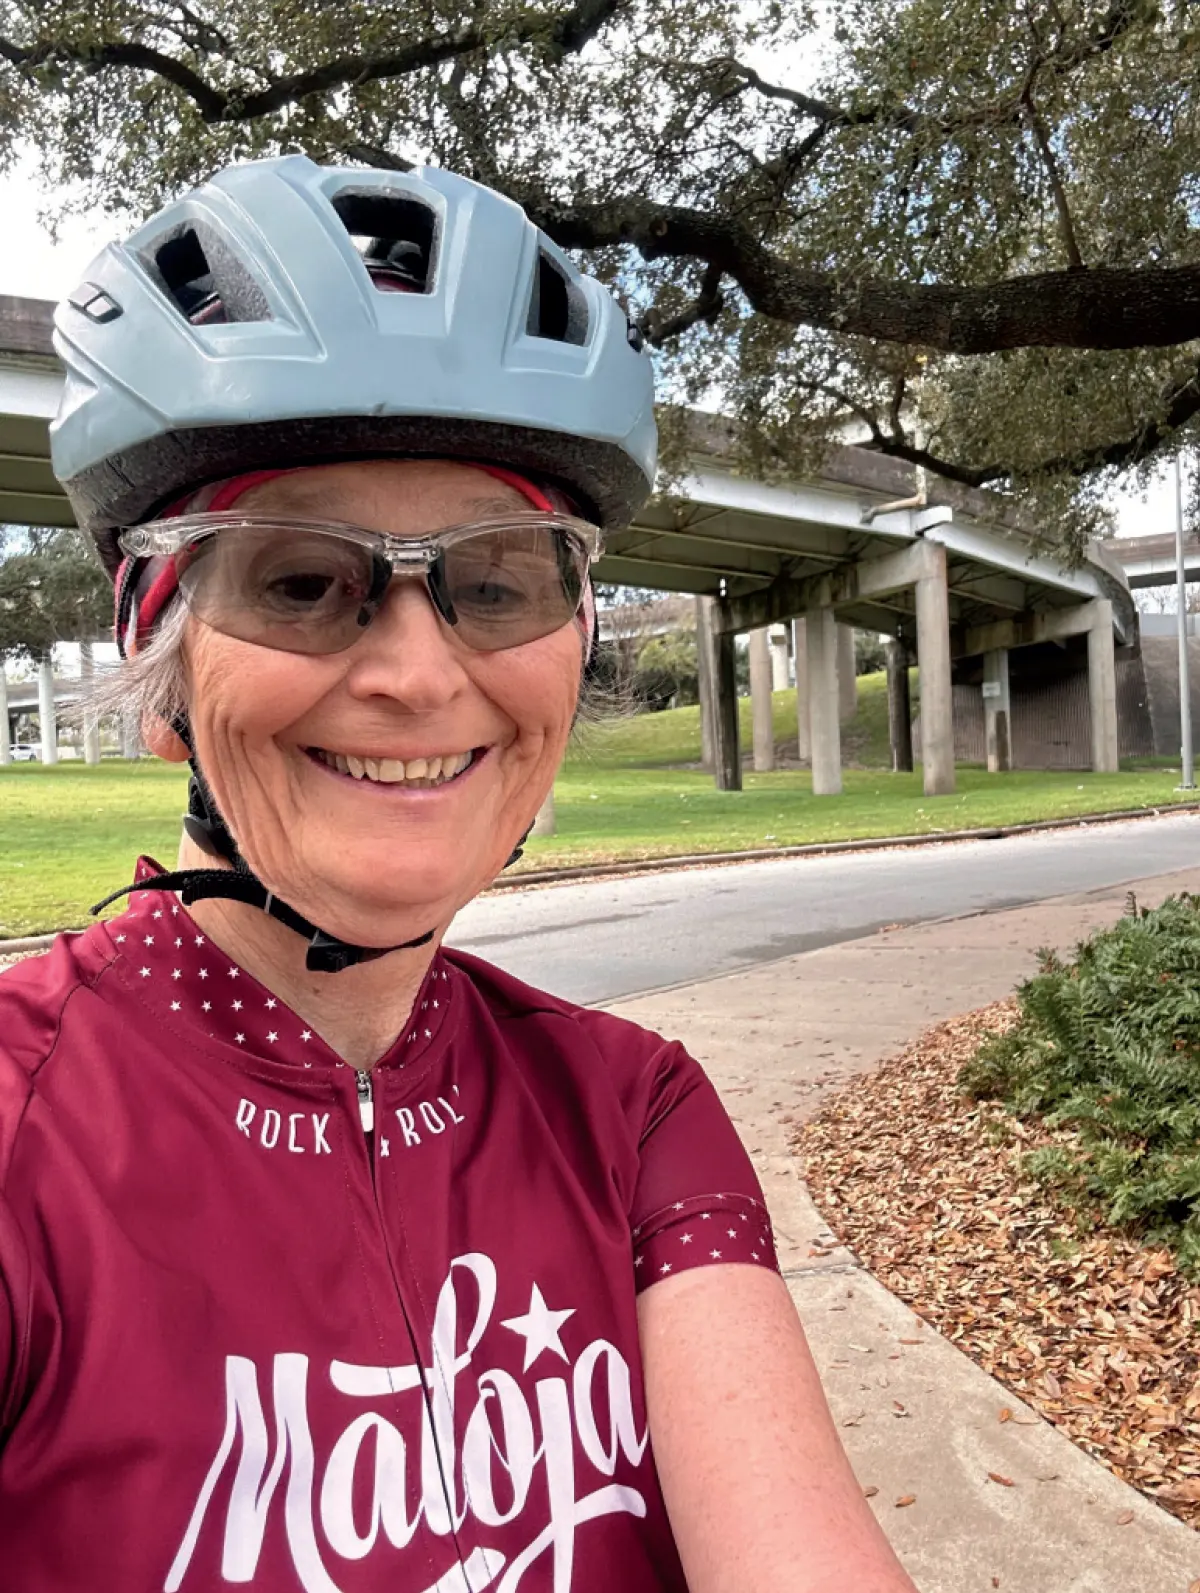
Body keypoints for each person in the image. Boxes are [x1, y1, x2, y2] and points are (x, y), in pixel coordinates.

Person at [0, 156, 918, 1592]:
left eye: (499, 581)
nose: (423, 675)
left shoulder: (632, 1110)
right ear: (160, 654)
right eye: (301, 579)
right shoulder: (18, 1129)